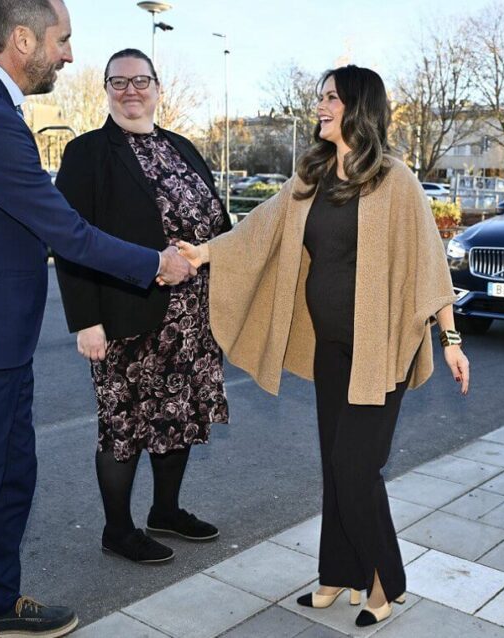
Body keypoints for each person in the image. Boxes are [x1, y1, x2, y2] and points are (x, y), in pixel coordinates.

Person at [0, 1, 194, 636]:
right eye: (62, 40)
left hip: (1, 342)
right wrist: (155, 263)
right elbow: (63, 228)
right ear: (22, 38)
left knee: (12, 482)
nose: (68, 54)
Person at [178, 65, 471, 628]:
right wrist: (204, 253)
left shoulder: (395, 179)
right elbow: (260, 229)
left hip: (383, 348)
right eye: (320, 96)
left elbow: (430, 265)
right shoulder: (309, 176)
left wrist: (450, 339)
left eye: (331, 97)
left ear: (358, 107)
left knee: (354, 464)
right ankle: (337, 571)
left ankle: (386, 577)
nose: (320, 105)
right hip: (330, 346)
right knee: (334, 465)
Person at [53, 48, 231, 564]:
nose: (131, 90)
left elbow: (216, 223)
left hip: (193, 316)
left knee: (179, 414)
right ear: (105, 89)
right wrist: (86, 320)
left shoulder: (182, 146)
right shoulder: (88, 153)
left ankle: (166, 511)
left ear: (158, 88)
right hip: (126, 314)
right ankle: (117, 529)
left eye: (141, 80)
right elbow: (71, 240)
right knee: (124, 423)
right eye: (119, 81)